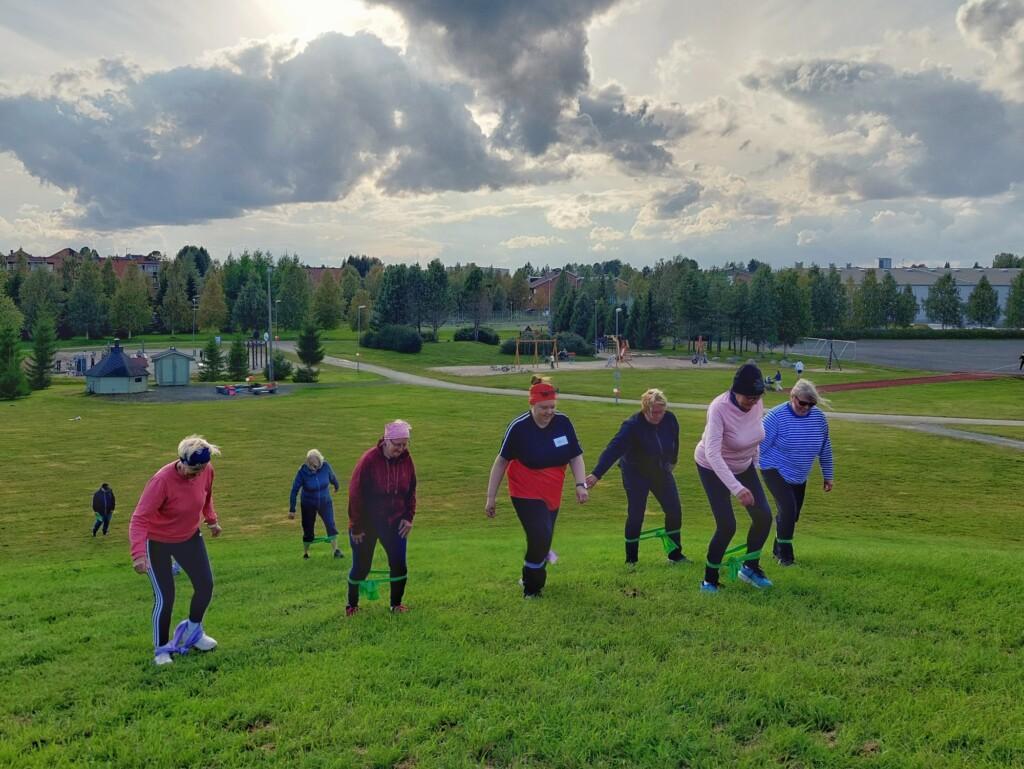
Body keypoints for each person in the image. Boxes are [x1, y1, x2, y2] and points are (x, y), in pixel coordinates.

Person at [485, 376, 588, 598]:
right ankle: (533, 589)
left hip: (552, 489)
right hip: (524, 489)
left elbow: (575, 456)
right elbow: (501, 461)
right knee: (540, 534)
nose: (549, 412)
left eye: (552, 407)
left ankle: (528, 574)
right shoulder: (519, 427)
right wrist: (490, 497)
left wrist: (581, 485)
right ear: (532, 404)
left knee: (543, 537)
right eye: (544, 408)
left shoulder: (563, 423)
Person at [129, 435, 222, 666]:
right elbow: (139, 519)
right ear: (181, 461)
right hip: (157, 542)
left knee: (205, 585)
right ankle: (161, 649)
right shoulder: (162, 481)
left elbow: (206, 497)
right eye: (193, 469)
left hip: (189, 537)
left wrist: (211, 521)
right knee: (165, 597)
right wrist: (139, 554)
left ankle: (194, 631)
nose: (197, 473)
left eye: (201, 469)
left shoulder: (206, 471)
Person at [694, 363, 773, 592]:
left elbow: (755, 433)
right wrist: (737, 488)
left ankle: (750, 568)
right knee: (727, 525)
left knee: (764, 517)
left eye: (757, 397)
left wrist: (755, 465)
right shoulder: (718, 408)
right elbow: (712, 453)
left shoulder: (756, 403)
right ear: (735, 391)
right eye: (749, 397)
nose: (754, 402)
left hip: (744, 465)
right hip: (712, 467)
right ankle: (709, 580)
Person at [586, 388, 687, 567]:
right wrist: (596, 474)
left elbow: (675, 440)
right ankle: (631, 560)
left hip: (660, 471)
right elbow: (613, 449)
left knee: (674, 511)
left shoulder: (670, 419)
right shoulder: (632, 426)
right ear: (645, 409)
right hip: (635, 473)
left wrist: (673, 460)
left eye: (661, 411)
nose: (658, 416)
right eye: (654, 412)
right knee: (636, 514)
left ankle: (675, 555)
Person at [760, 379, 834, 566]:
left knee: (792, 515)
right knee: (788, 509)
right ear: (792, 397)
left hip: (799, 474)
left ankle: (777, 550)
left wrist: (828, 475)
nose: (806, 407)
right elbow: (758, 446)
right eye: (802, 403)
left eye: (811, 404)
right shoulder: (775, 417)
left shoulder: (819, 418)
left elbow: (825, 447)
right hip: (773, 469)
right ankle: (786, 557)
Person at [346, 420, 417, 616]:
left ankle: (396, 605)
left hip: (395, 523)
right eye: (397, 444)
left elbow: (411, 491)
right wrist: (356, 526)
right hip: (367, 524)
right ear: (386, 441)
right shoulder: (369, 460)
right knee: (361, 567)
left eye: (405, 444)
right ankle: (352, 605)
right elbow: (355, 494)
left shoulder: (407, 461)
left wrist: (408, 517)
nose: (401, 449)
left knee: (399, 565)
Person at [289, 449, 343, 560]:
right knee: (308, 529)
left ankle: (336, 551)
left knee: (331, 524)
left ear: (320, 461)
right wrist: (292, 509)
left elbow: (332, 477)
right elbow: (294, 490)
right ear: (307, 463)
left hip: (325, 501)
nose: (314, 468)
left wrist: (336, 485)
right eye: (312, 466)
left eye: (316, 466)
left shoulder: (325, 466)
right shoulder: (302, 472)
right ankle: (306, 553)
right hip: (308, 503)